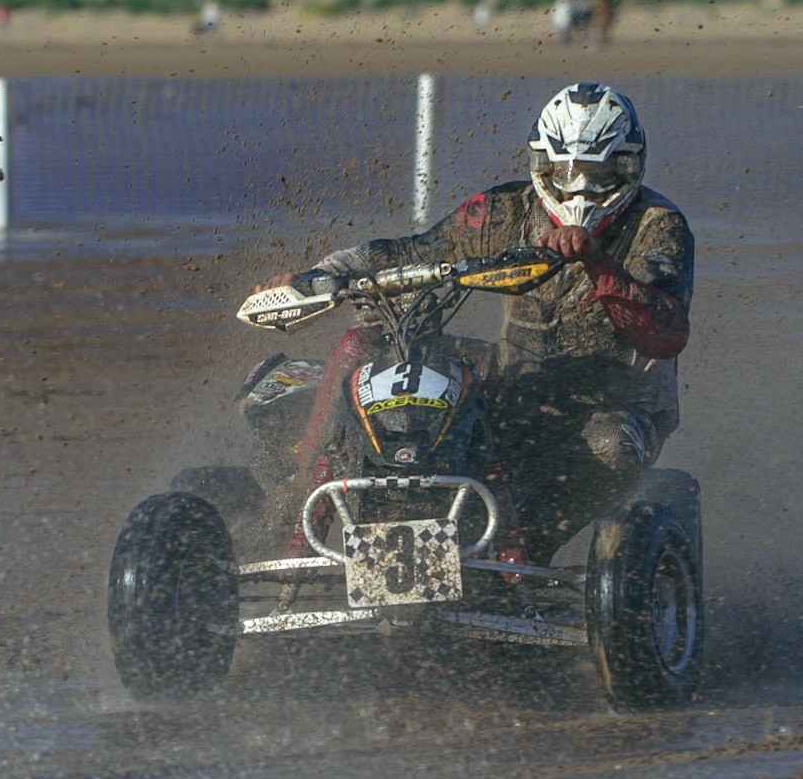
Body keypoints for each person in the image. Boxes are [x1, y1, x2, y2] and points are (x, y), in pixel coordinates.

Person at [258, 82, 694, 566]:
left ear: (629, 167)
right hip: (516, 374)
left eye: (599, 175)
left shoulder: (658, 223)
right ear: (542, 165)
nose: (579, 189)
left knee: (612, 448)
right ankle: (300, 511)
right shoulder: (504, 211)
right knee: (368, 347)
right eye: (565, 172)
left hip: (613, 401)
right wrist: (321, 275)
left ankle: (523, 555)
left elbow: (664, 332)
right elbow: (412, 252)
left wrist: (598, 264)